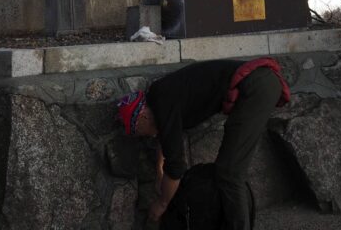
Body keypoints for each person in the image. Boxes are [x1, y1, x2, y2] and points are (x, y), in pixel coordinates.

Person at [117, 57, 290, 230]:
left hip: (256, 86)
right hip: (258, 84)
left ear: (142, 117)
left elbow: (176, 168)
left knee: (229, 172)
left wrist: (162, 203)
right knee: (229, 171)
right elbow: (167, 141)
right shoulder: (161, 98)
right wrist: (160, 171)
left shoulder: (162, 101)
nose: (141, 136)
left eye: (136, 132)